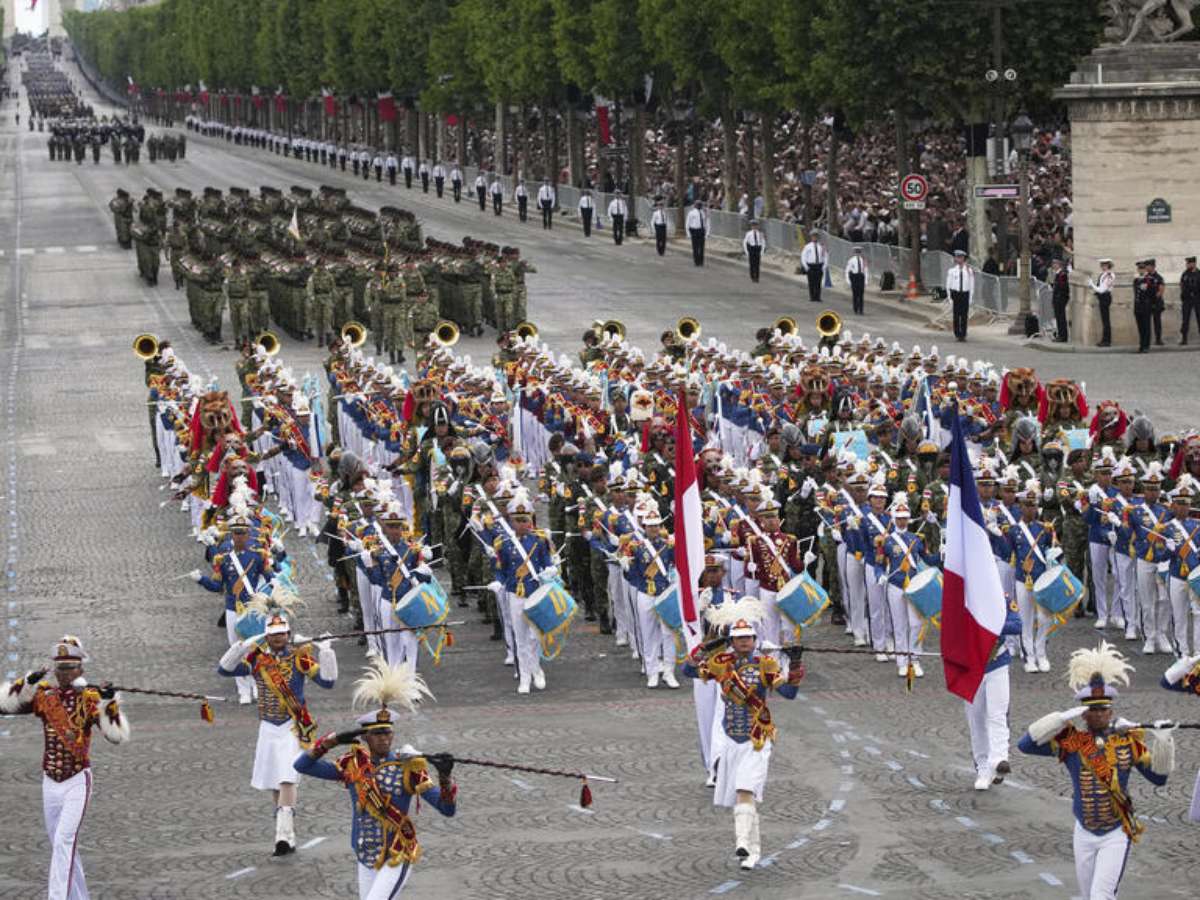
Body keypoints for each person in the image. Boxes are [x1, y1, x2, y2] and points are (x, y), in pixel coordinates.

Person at [1017, 642, 1174, 900]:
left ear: (1111, 711)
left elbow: (1159, 779)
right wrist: (1059, 719)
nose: (1098, 714)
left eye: (1103, 709)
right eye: (1092, 709)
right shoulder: (1072, 742)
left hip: (1116, 831)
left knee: (1101, 895)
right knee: (1088, 895)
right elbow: (1025, 746)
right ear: (1083, 714)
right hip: (1084, 831)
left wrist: (1164, 742)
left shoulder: (1128, 742)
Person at [293, 661, 457, 900]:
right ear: (365, 737)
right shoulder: (352, 765)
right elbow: (302, 766)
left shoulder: (408, 766)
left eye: (387, 732)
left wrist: (444, 776)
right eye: (377, 733)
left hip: (397, 853)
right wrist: (331, 741)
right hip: (365, 854)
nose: (383, 739)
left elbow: (447, 809)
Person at [1, 636, 131, 900]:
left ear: (80, 669)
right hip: (50, 782)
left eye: (69, 668)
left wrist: (108, 702)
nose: (63, 674)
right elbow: (5, 706)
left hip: (77, 781)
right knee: (62, 846)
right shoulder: (44, 696)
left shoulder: (90, 698)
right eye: (60, 668)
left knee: (63, 841)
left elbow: (116, 736)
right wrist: (28, 682)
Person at [218, 600, 337, 856]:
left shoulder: (300, 658)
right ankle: (288, 834)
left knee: (287, 777)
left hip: (293, 726)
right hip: (268, 726)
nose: (278, 638)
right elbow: (224, 670)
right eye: (273, 634)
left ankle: (281, 835)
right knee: (275, 782)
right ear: (266, 636)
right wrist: (240, 647)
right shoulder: (256, 659)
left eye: (282, 633)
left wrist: (327, 653)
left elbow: (328, 682)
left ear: (288, 634)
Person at [683, 620, 804, 871]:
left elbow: (790, 694)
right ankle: (753, 852)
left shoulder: (765, 664)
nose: (745, 641)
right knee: (744, 796)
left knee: (745, 788)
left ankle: (741, 843)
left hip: (756, 739)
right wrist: (704, 648)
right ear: (731, 641)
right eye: (739, 638)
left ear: (755, 639)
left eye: (749, 637)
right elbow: (688, 671)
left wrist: (794, 664)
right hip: (730, 739)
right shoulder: (721, 664)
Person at [946, 249, 975, 342]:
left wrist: (970, 297)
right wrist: (950, 297)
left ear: (963, 258)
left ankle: (963, 334)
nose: (959, 259)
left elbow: (971, 285)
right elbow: (948, 285)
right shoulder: (952, 271)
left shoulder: (969, 271)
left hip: (965, 294)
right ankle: (957, 333)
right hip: (956, 294)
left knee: (964, 315)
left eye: (961, 257)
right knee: (956, 315)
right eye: (957, 257)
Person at [1088, 258, 1115, 347]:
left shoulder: (1109, 275)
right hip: (1102, 297)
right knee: (1104, 320)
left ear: (1108, 265)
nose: (1103, 267)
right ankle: (1104, 339)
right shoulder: (1103, 274)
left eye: (1104, 265)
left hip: (1105, 297)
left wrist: (1091, 284)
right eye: (1102, 265)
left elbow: (1102, 290)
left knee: (1106, 320)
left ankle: (1107, 340)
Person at [1133, 259, 1154, 353]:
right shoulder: (1136, 280)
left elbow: (1152, 294)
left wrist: (1150, 305)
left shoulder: (1149, 279)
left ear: (1145, 269)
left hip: (1146, 306)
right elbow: (1136, 294)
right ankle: (1141, 345)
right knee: (1140, 327)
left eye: (1142, 268)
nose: (1140, 270)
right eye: (1139, 268)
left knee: (1146, 327)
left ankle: (1146, 346)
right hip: (1138, 307)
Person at [800, 231, 827, 303]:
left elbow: (825, 256)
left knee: (818, 282)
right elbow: (803, 257)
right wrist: (806, 267)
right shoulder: (807, 246)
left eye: (816, 236)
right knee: (811, 282)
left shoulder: (821, 246)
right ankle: (812, 297)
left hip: (819, 265)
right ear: (811, 237)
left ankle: (817, 297)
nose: (815, 238)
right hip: (811, 266)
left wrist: (824, 266)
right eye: (813, 236)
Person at [1145, 258, 1166, 346]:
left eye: (1148, 266)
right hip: (1147, 302)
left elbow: (1161, 290)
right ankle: (1147, 339)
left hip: (1156, 302)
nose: (1146, 268)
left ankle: (1158, 339)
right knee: (1146, 322)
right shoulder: (1145, 277)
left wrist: (1154, 299)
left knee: (1157, 322)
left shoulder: (1158, 277)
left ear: (1153, 266)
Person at [1180, 255, 1200, 345]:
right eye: (1187, 263)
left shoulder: (1199, 273)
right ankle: (1184, 339)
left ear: (1194, 263)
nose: (1187, 265)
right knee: (1185, 319)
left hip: (1197, 299)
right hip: (1187, 299)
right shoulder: (1185, 274)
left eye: (1188, 263)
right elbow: (1181, 284)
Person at [1050, 257, 1070, 343]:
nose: (1053, 265)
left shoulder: (1062, 274)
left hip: (1060, 298)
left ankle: (1063, 336)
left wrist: (1058, 297)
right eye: (1053, 263)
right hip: (1057, 298)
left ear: (1059, 264)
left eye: (1055, 263)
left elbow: (1063, 287)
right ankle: (1060, 334)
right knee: (1058, 317)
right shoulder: (1058, 274)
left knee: (1061, 318)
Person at [845, 245, 868, 313]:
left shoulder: (863, 260)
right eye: (856, 252)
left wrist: (866, 280)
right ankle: (855, 308)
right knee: (855, 294)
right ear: (854, 252)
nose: (858, 253)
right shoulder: (851, 260)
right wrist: (848, 280)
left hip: (861, 277)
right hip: (854, 277)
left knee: (861, 295)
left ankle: (861, 309)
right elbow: (847, 270)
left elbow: (866, 270)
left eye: (859, 252)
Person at [685, 200, 708, 266]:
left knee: (701, 247)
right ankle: (696, 261)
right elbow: (688, 223)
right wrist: (688, 233)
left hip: (701, 231)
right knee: (695, 247)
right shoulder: (691, 213)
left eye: (700, 204)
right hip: (694, 231)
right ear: (695, 205)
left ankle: (701, 261)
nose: (699, 206)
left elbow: (705, 222)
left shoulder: (703, 212)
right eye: (698, 204)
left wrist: (706, 232)